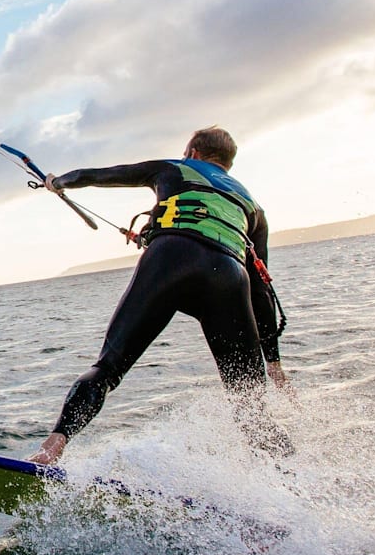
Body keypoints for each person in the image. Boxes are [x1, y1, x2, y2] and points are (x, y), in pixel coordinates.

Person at [30, 126, 294, 465]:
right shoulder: (252, 207)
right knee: (249, 403)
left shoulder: (174, 168)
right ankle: (290, 482)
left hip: (171, 258)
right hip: (229, 277)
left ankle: (50, 451)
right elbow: (261, 289)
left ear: (194, 152)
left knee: (108, 368)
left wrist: (60, 181)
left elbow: (105, 175)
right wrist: (273, 361)